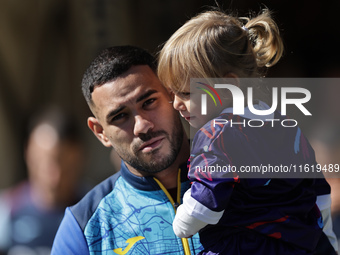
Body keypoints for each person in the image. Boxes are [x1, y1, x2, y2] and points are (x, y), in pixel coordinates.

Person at [157, 9, 338, 255]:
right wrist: (328, 239)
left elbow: (206, 202)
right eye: (172, 94)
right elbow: (319, 194)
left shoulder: (216, 134)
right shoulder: (286, 124)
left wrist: (181, 222)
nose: (177, 104)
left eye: (186, 93)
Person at [51, 46, 203, 255]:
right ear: (100, 132)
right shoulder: (85, 226)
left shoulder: (245, 175)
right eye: (120, 116)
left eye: (149, 102)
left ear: (172, 94)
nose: (142, 126)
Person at [0, 108, 87, 255]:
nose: (55, 175)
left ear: (79, 158)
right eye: (44, 162)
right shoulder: (7, 210)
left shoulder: (94, 210)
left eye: (66, 166)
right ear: (28, 153)